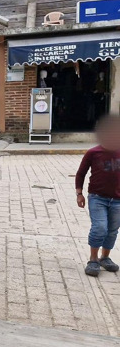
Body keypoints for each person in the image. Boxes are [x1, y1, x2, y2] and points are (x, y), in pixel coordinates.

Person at [76, 114, 120, 277]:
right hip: (97, 198)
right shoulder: (93, 153)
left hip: (117, 200)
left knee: (112, 230)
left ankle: (105, 258)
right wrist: (79, 193)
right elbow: (81, 174)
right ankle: (93, 259)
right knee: (100, 227)